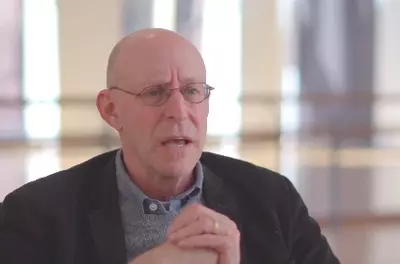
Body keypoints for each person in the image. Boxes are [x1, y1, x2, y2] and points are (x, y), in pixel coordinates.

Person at [0, 28, 340, 264]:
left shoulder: (272, 198)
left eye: (192, 91)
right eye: (154, 93)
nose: (179, 112)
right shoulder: (36, 215)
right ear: (110, 110)